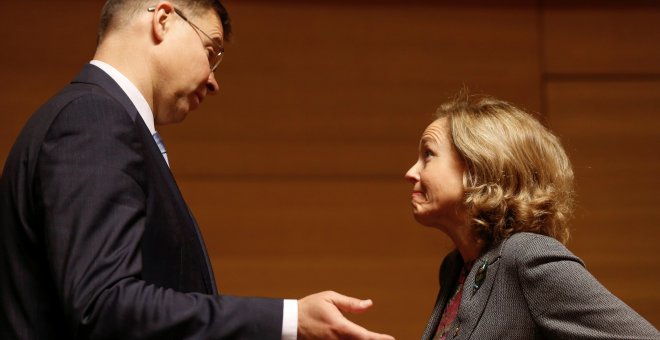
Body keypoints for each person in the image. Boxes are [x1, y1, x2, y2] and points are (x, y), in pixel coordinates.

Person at [0, 1, 395, 339]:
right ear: (164, 20)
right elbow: (104, 305)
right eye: (212, 50)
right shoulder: (93, 118)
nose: (214, 81)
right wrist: (290, 320)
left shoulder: (98, 118)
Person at [404, 93, 659, 340]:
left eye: (428, 154)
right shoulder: (455, 268)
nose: (411, 172)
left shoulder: (525, 255)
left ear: (478, 167)